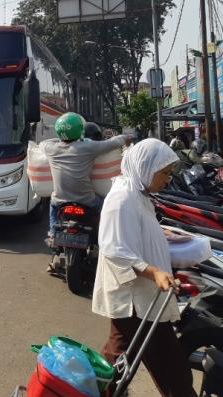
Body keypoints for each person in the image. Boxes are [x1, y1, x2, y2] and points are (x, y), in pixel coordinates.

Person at [92, 139, 196, 397]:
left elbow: (136, 234)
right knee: (167, 368)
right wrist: (155, 272)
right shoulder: (122, 198)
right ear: (146, 167)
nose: (167, 180)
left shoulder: (136, 193)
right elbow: (115, 248)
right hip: (135, 301)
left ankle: (91, 390)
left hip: (143, 298)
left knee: (119, 361)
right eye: (164, 173)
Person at [42, 112, 130, 241]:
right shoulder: (88, 146)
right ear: (80, 130)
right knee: (106, 206)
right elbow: (113, 143)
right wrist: (126, 137)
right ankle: (105, 236)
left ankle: (53, 232)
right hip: (87, 200)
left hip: (60, 200)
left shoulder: (51, 149)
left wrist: (60, 138)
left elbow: (44, 143)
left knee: (52, 204)